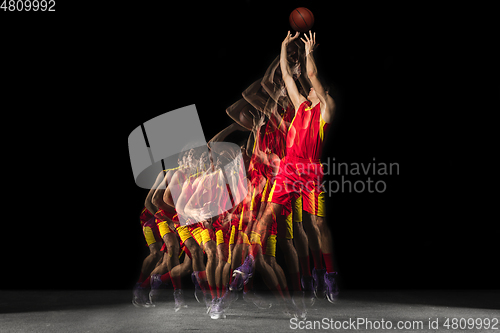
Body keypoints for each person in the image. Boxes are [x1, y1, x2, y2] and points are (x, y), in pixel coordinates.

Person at [235, 31, 339, 304]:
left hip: (311, 171)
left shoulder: (326, 108)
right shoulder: (301, 105)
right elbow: (287, 76)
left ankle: (330, 274)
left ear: (323, 92)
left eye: (315, 87)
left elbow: (313, 75)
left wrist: (309, 52)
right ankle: (249, 262)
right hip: (289, 169)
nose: (309, 87)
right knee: (268, 214)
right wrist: (283, 47)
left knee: (318, 223)